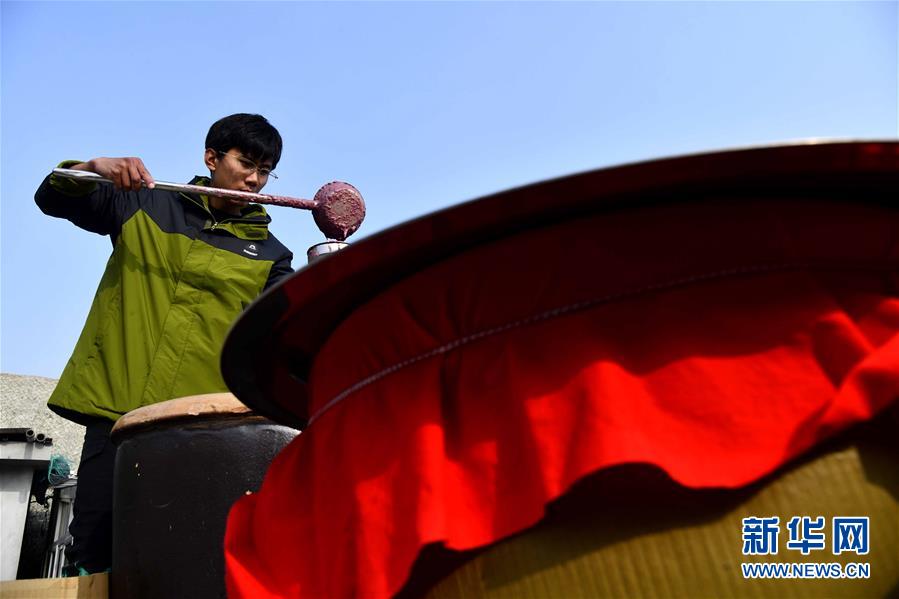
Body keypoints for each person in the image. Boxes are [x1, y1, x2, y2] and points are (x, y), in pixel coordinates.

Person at [34, 113, 294, 575]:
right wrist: (92, 168)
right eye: (245, 163)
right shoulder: (143, 204)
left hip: (200, 432)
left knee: (180, 559)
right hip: (117, 414)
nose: (254, 179)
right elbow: (52, 197)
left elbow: (287, 335)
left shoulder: (272, 256)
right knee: (94, 552)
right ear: (211, 157)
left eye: (265, 170)